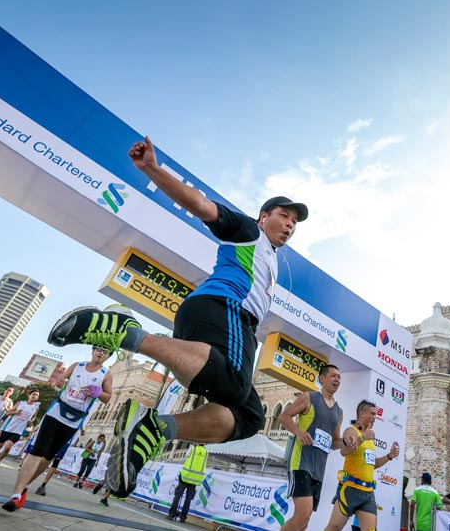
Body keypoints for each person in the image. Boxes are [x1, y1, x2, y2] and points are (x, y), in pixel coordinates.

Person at [46, 135, 308, 498]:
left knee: (248, 415)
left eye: (295, 222)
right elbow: (201, 205)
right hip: (223, 308)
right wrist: (152, 168)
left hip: (229, 323)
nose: (290, 225)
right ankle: (124, 332)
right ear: (264, 217)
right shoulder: (248, 231)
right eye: (284, 216)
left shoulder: (271, 257)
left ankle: (155, 429)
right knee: (232, 382)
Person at [1, 345, 113, 512]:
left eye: (105, 351)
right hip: (57, 412)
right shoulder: (77, 366)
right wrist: (58, 383)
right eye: (98, 349)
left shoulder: (106, 374)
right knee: (37, 451)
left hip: (74, 420)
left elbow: (107, 397)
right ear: (92, 351)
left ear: (108, 356)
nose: (100, 352)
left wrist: (97, 392)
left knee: (49, 456)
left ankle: (25, 486)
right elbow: (57, 382)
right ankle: (15, 495)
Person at [280, 364, 350, 531]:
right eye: (333, 376)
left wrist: (346, 442)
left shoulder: (339, 412)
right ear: (322, 378)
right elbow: (284, 417)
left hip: (318, 471)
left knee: (304, 522)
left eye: (339, 377)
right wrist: (298, 432)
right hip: (301, 464)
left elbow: (334, 443)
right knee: (301, 516)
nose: (337, 380)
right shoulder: (309, 397)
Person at [324, 400, 400, 531]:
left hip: (367, 494)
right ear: (362, 413)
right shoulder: (351, 431)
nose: (374, 417)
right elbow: (344, 451)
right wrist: (362, 438)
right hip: (349, 490)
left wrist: (389, 456)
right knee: (333, 528)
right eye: (372, 414)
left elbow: (373, 464)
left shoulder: (370, 440)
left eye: (375, 415)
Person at [0, 391, 40, 473]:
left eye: (36, 395)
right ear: (29, 395)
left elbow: (34, 417)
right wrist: (16, 412)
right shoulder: (21, 403)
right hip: (8, 428)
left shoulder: (35, 407)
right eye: (33, 394)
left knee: (8, 447)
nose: (34, 396)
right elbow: (8, 413)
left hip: (18, 431)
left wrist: (31, 421)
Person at [167, 443, 208, 522]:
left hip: (185, 476)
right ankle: (183, 518)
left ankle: (171, 514)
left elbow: (186, 455)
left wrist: (193, 446)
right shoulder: (206, 452)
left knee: (177, 495)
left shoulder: (193, 448)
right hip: (195, 479)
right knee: (188, 499)